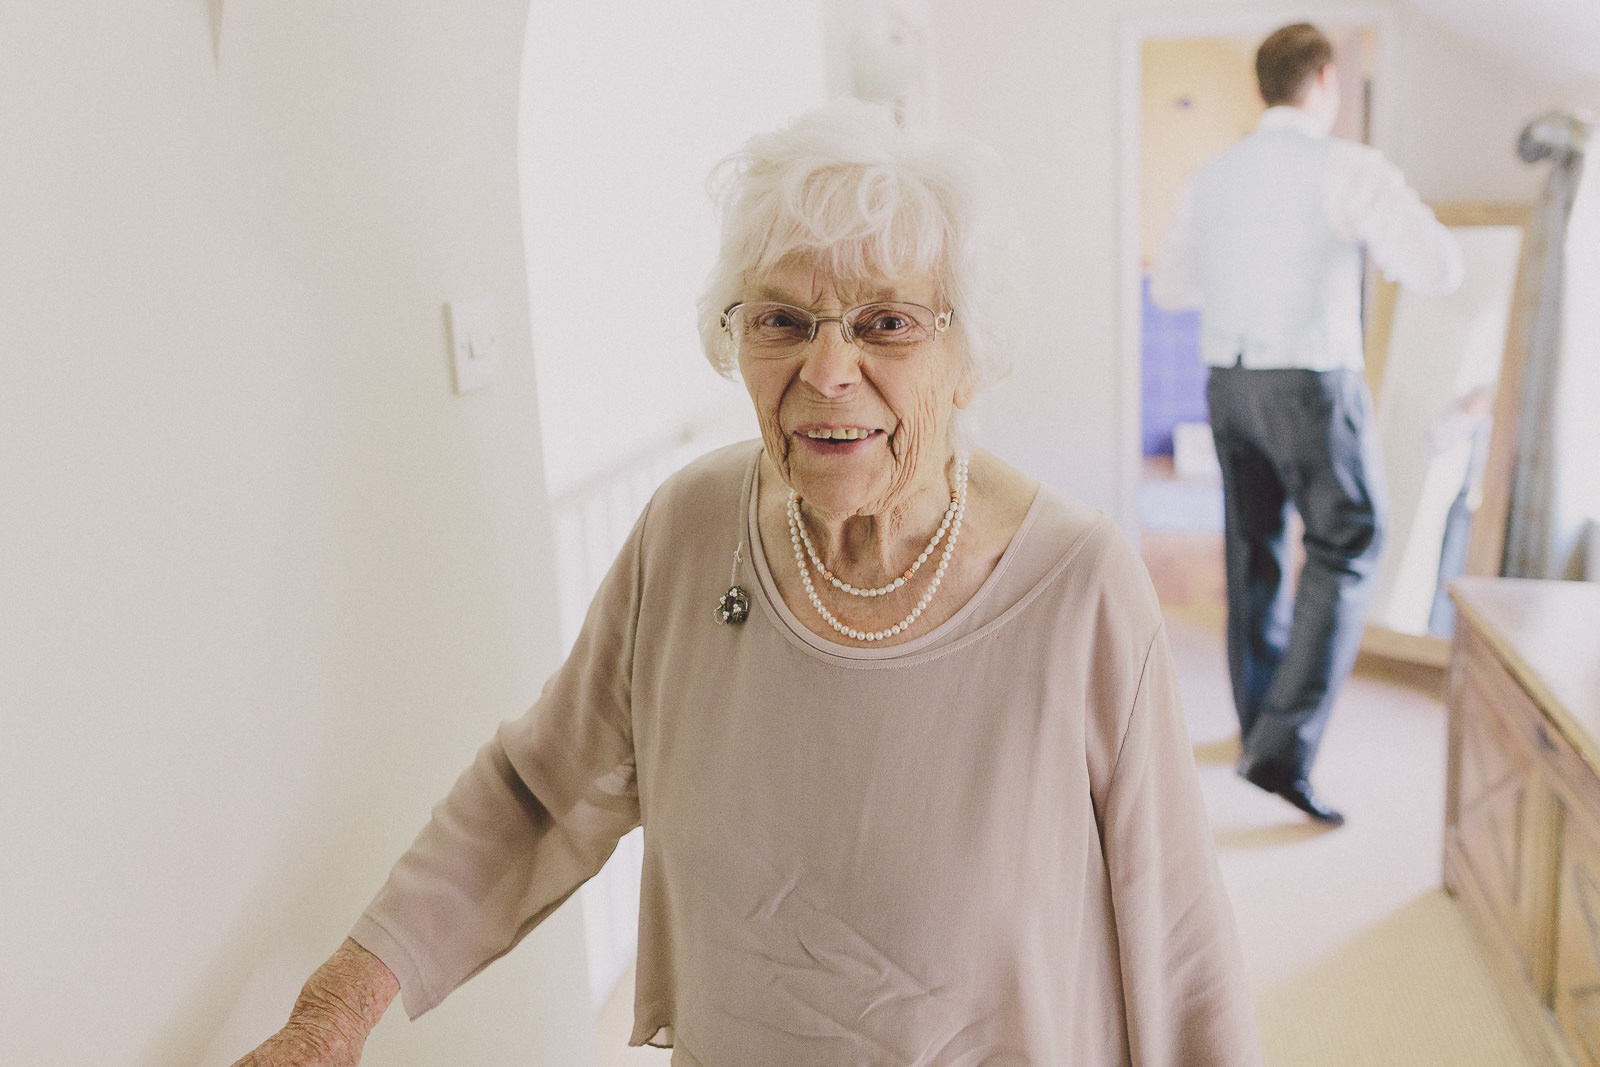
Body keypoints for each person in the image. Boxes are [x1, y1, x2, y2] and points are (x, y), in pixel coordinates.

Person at [235, 100, 1261, 1066]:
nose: (825, 369)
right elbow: (536, 793)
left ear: (967, 353)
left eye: (886, 323)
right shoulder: (689, 531)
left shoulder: (1078, 588)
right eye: (781, 319)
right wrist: (331, 1013)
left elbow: (1176, 942)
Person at [1151, 23, 1463, 826]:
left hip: (1229, 382)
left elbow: (1172, 292)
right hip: (1312, 382)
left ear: (1263, 87)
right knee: (1349, 542)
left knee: (1252, 548)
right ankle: (1282, 752)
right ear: (1321, 79)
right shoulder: (1346, 167)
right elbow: (1437, 264)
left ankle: (1260, 722)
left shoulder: (1210, 178)